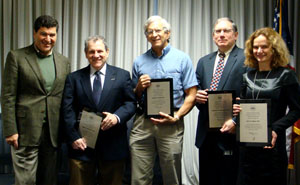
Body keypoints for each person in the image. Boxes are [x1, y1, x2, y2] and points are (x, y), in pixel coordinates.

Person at [1, 15, 70, 185]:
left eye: (52, 35)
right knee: (26, 181)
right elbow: (8, 95)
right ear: (34, 33)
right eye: (43, 34)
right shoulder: (16, 57)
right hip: (25, 131)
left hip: (53, 132)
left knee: (49, 179)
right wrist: (10, 130)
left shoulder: (64, 61)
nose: (48, 39)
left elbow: (64, 96)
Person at [130, 15, 197, 185]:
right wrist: (139, 87)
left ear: (168, 33)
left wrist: (177, 116)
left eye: (158, 30)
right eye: (150, 32)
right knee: (139, 178)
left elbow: (192, 94)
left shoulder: (182, 59)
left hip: (171, 124)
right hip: (143, 124)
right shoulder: (139, 61)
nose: (154, 34)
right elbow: (133, 97)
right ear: (146, 36)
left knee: (171, 177)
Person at [62, 35, 136, 185]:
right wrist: (73, 137)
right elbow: (67, 110)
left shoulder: (122, 76)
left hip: (113, 144)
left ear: (107, 52)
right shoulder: (74, 78)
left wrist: (117, 117)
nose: (96, 55)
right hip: (81, 144)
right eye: (91, 52)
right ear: (86, 54)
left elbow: (131, 103)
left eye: (100, 51)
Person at [235, 27, 300, 185]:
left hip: (272, 145)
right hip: (247, 146)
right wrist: (237, 110)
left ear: (274, 49)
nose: (259, 51)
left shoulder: (286, 75)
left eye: (264, 47)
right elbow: (242, 103)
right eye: (255, 47)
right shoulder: (247, 76)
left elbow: (297, 109)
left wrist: (276, 128)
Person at [195, 17, 247, 185]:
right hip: (206, 131)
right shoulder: (204, 62)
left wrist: (236, 121)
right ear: (213, 36)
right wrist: (197, 96)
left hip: (232, 130)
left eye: (226, 31)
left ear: (236, 35)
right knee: (208, 179)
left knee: (229, 179)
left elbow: (251, 95)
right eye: (218, 31)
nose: (222, 35)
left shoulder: (247, 59)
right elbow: (194, 91)